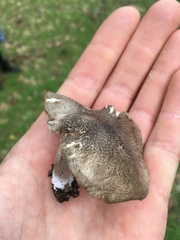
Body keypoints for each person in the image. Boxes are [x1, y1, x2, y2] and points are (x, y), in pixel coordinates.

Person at [0, 1, 180, 239]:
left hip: (104, 136)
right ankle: (61, 182)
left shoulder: (112, 133)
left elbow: (134, 179)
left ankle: (62, 183)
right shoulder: (75, 120)